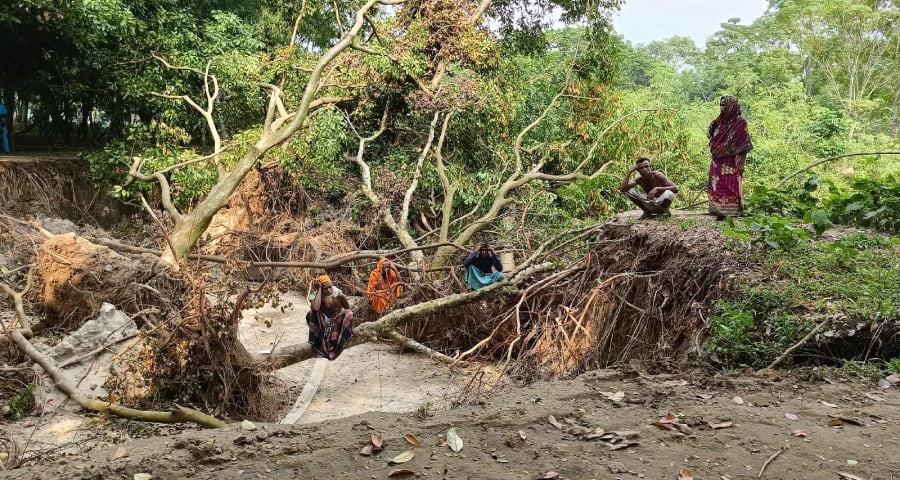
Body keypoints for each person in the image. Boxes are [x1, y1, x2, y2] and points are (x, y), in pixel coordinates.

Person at [707, 95, 753, 218]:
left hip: (732, 160)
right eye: (720, 105)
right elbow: (711, 135)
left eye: (724, 105)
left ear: (732, 106)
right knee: (717, 186)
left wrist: (742, 163)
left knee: (731, 185)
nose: (721, 108)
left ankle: (731, 211)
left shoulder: (740, 122)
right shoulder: (718, 121)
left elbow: (745, 144)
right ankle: (717, 210)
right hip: (716, 160)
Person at [306, 275, 354, 360]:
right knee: (311, 314)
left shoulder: (339, 295)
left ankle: (341, 340)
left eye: (330, 287)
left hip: (337, 322)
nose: (329, 290)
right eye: (325, 288)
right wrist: (319, 289)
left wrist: (352, 329)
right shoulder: (316, 295)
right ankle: (317, 341)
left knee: (349, 313)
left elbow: (348, 309)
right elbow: (315, 308)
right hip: (323, 324)